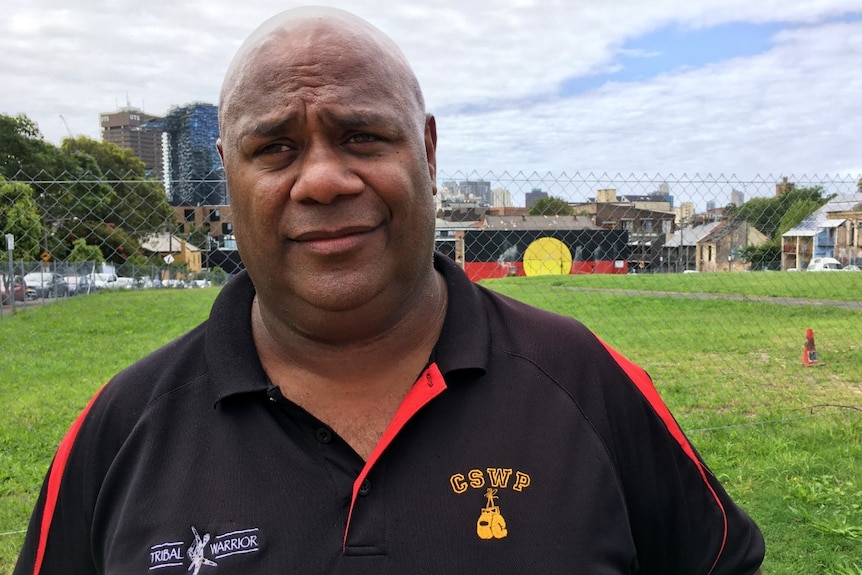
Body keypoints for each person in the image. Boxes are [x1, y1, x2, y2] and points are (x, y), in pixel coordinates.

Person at [15, 7, 764, 574]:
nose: (323, 180)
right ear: (226, 171)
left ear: (428, 154)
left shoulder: (584, 383)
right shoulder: (120, 431)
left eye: (362, 137)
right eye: (274, 148)